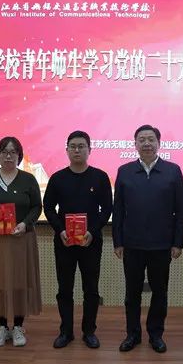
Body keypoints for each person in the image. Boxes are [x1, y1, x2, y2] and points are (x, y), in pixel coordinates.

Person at [113, 125, 183, 353]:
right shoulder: (125, 171)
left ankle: (156, 334)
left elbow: (180, 211)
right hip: (132, 244)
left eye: (151, 139)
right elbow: (118, 210)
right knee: (132, 293)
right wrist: (118, 241)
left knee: (160, 292)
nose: (146, 143)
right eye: (142, 139)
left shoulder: (173, 171)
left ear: (158, 143)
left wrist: (178, 242)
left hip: (161, 245)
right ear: (135, 144)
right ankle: (132, 334)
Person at [43, 131, 112, 349]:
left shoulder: (100, 177)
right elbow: (48, 208)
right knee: (65, 288)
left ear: (89, 150)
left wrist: (92, 231)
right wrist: (60, 230)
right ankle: (66, 331)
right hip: (64, 241)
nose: (77, 150)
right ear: (67, 150)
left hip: (91, 242)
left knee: (91, 289)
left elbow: (106, 209)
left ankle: (89, 331)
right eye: (73, 146)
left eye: (81, 146)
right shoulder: (57, 178)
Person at [0, 136, 42, 347]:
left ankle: (19, 327)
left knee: (20, 282)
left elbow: (36, 207)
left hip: (21, 239)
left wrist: (25, 223)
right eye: (4, 152)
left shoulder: (28, 179)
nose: (9, 156)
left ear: (19, 155)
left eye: (13, 152)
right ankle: (2, 327)